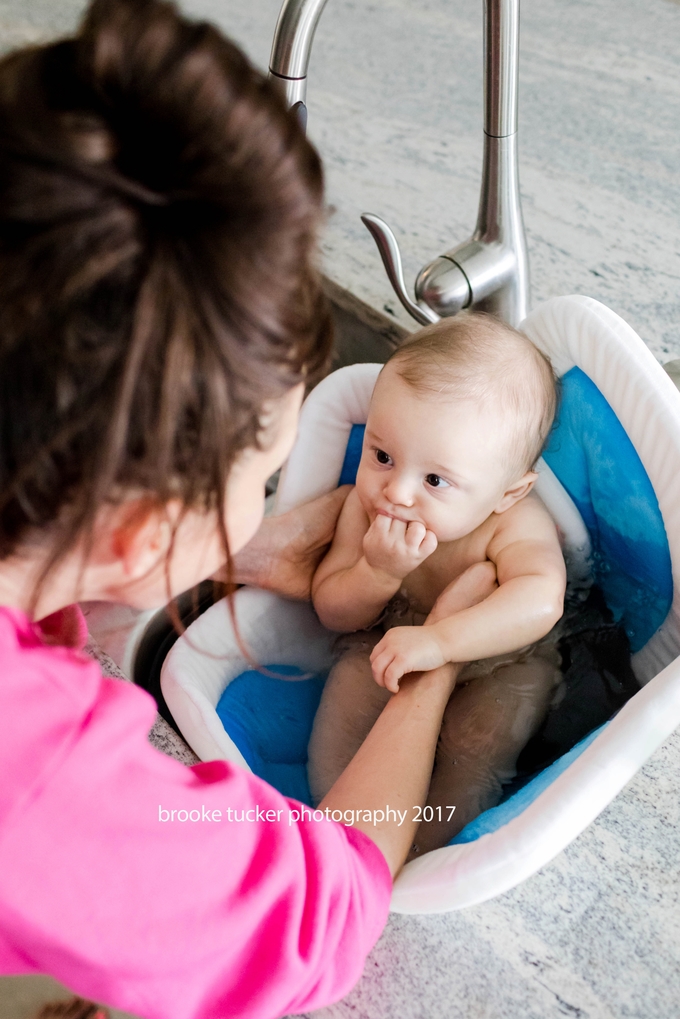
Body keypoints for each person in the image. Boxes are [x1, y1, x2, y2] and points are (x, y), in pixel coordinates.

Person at [0, 2, 498, 1018]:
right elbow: (323, 909)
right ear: (137, 529)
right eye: (264, 472)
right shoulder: (35, 777)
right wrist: (432, 661)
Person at [307, 316, 568, 853]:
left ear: (507, 492)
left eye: (434, 480)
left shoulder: (513, 524)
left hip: (501, 663)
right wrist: (375, 573)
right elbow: (332, 609)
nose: (396, 492)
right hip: (387, 639)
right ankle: (343, 831)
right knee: (348, 693)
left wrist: (442, 642)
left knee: (477, 751)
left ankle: (428, 844)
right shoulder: (368, 508)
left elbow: (542, 600)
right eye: (382, 456)